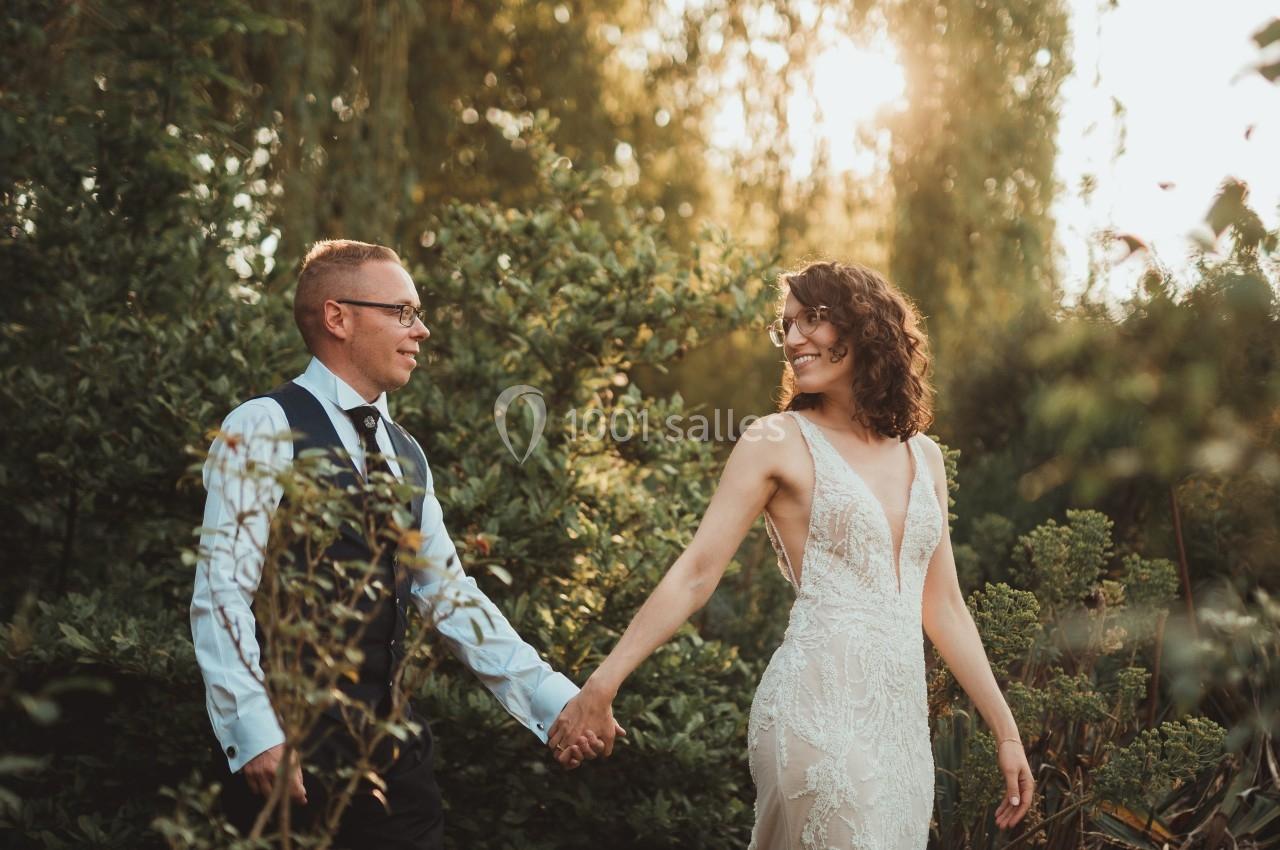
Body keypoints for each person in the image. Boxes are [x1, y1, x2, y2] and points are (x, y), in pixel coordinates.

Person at [549, 261, 1035, 849]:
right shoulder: (774, 440)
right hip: (817, 711)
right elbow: (697, 573)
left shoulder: (924, 456)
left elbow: (945, 607)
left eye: (815, 320)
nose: (794, 338)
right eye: (787, 325)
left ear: (865, 328)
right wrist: (602, 685)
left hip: (901, 732)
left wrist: (1005, 731)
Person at [190, 239, 612, 848]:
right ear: (338, 318)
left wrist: (559, 700)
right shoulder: (264, 424)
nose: (422, 330)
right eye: (403, 312)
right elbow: (221, 594)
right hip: (292, 760)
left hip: (396, 764)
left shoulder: (406, 451)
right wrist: (253, 732)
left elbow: (448, 595)